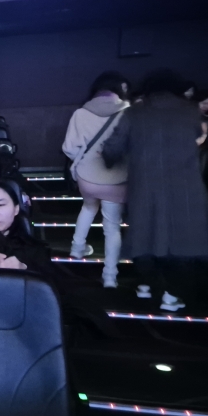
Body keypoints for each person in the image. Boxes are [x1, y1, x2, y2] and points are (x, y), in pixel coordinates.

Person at [102, 69, 208, 310]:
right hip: (185, 185)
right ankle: (170, 294)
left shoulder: (134, 113)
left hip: (145, 185)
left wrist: (111, 160)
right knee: (180, 240)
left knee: (145, 234)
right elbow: (200, 136)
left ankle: (145, 285)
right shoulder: (189, 110)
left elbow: (112, 148)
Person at [62, 71, 130, 288]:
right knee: (112, 227)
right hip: (117, 177)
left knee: (88, 208)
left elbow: (69, 147)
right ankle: (110, 276)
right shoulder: (127, 111)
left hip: (87, 176)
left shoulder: (81, 113)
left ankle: (77, 248)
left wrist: (85, 159)